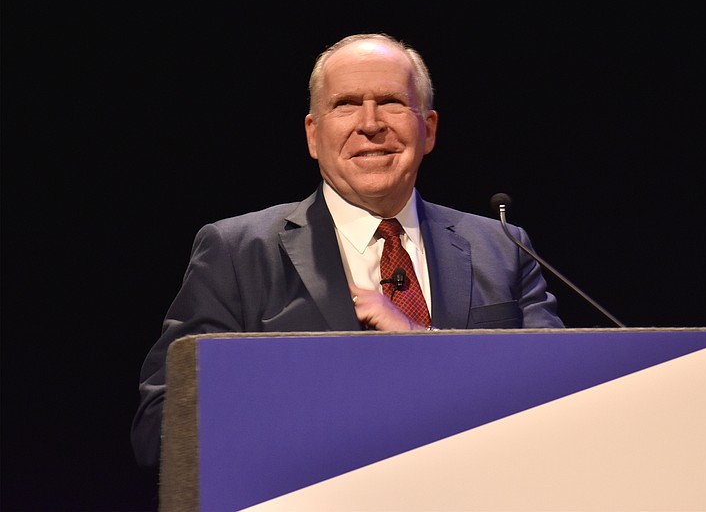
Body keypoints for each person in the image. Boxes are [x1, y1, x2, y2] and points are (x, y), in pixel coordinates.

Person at [131, 33, 565, 468]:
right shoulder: (238, 252)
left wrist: (422, 346)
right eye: (346, 104)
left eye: (393, 101)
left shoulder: (503, 248)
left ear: (428, 129)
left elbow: (562, 397)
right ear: (313, 135)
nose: (371, 123)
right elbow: (160, 427)